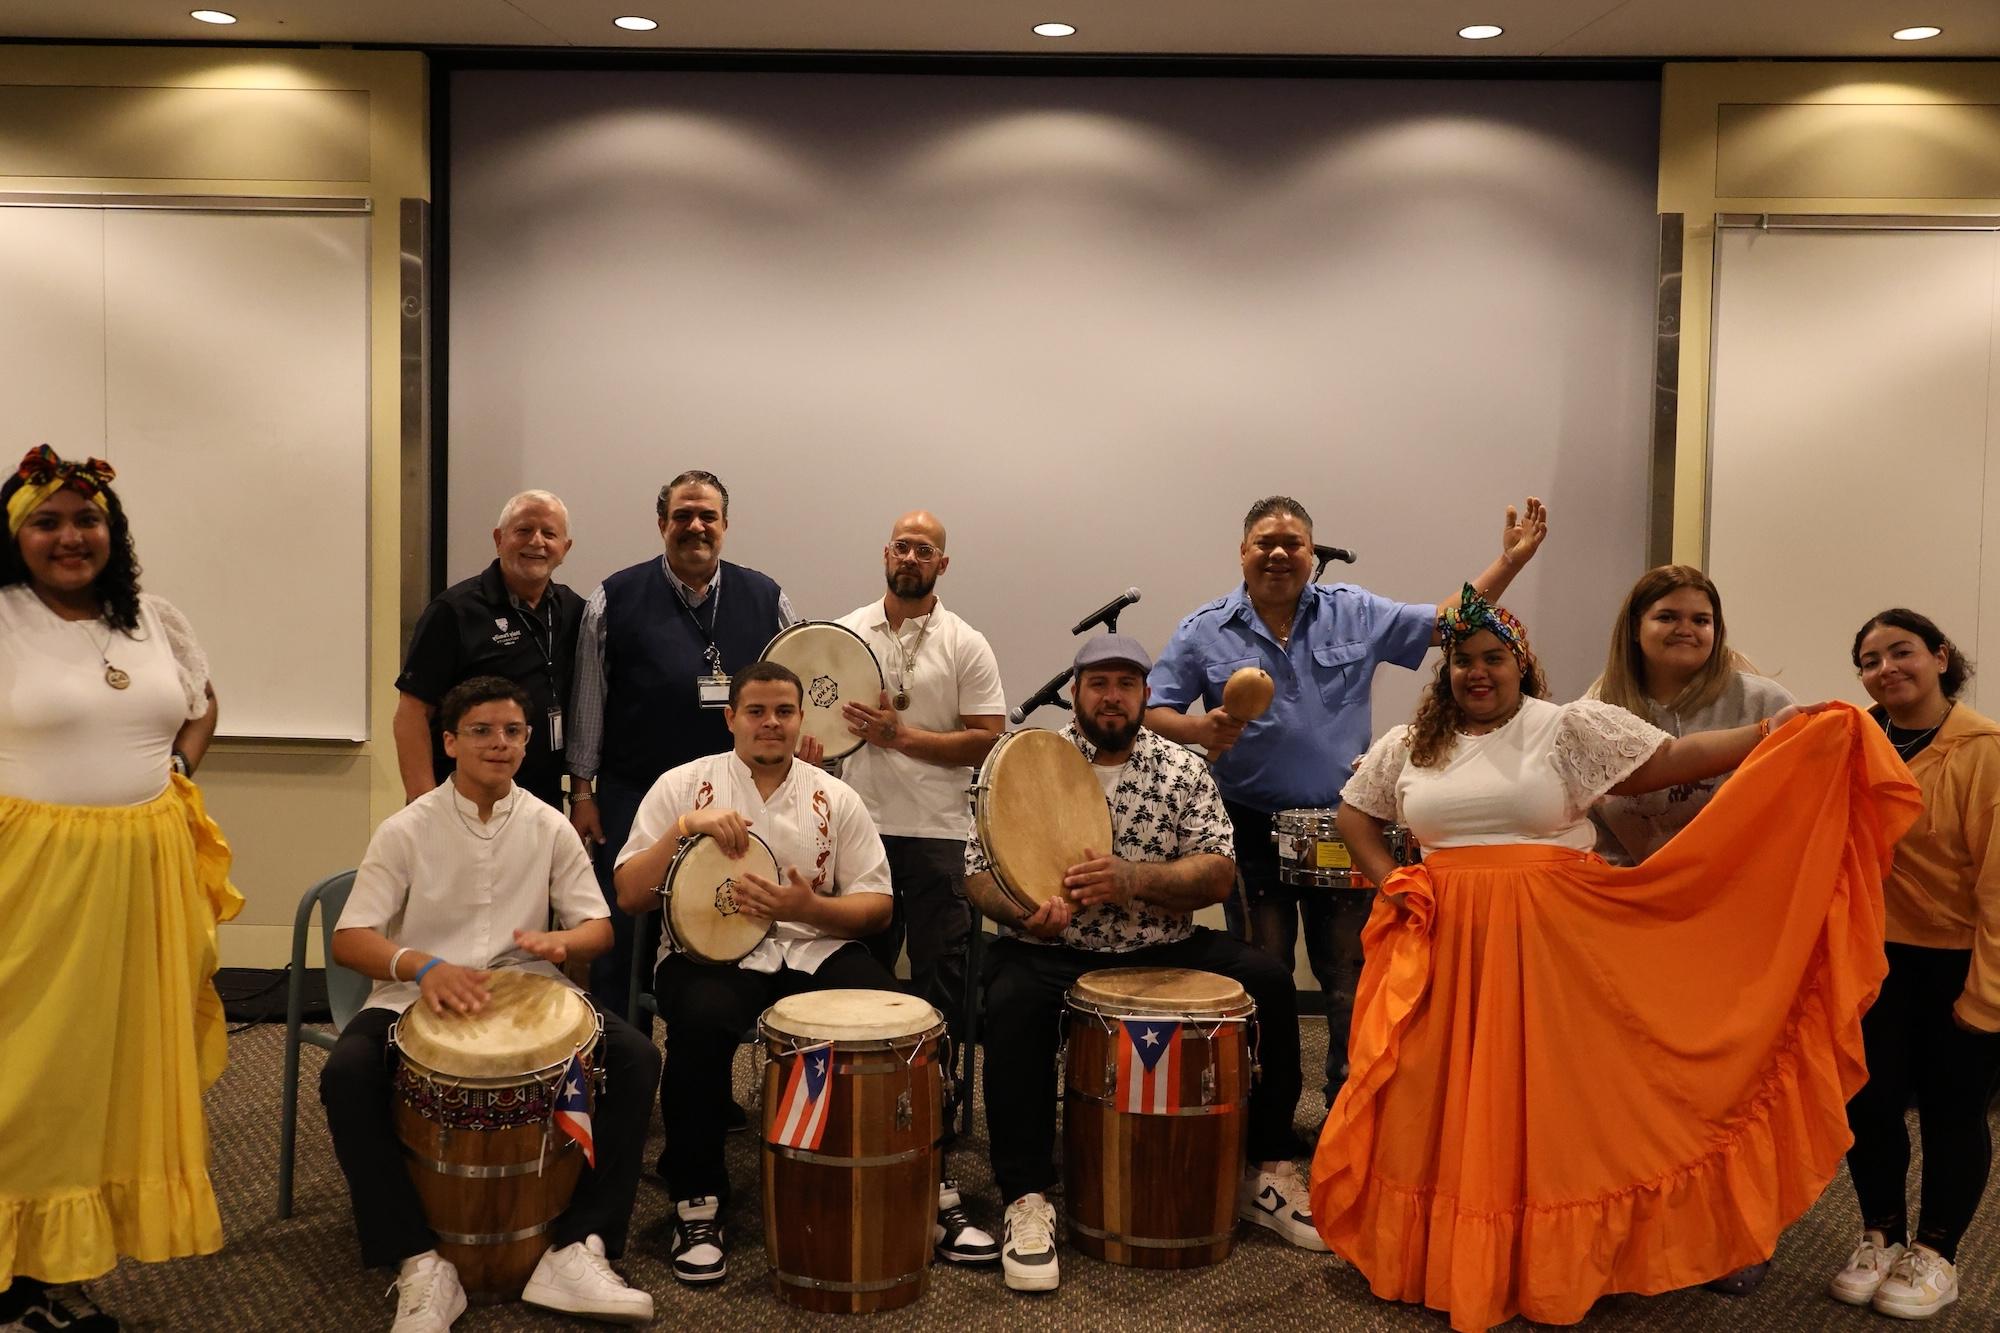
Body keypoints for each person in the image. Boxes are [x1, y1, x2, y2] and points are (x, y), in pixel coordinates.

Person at [1312, 588, 1919, 1333]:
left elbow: (1667, 761)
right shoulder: (1411, 743)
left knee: (1559, 1108)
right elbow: (1354, 811)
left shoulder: (1565, 728)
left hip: (1554, 946)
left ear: (1519, 663)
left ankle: (1556, 1258)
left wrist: (1770, 730)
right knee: (1436, 1102)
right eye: (1463, 661)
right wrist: (1391, 878)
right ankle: (1448, 1256)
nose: (1477, 672)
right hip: (1441, 947)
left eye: (1493, 658)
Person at [1146, 494, 1547, 1107]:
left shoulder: (1353, 611)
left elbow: (1447, 624)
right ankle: (1267, 1118)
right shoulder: (1205, 629)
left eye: (1293, 543)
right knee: (1265, 974)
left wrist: (1509, 562)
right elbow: (1154, 708)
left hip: (1343, 827)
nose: (1279, 553)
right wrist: (1198, 729)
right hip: (1250, 829)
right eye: (1265, 543)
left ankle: (1350, 1110)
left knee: (1349, 978)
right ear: (1243, 553)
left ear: (1311, 552)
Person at [970, 634, 1322, 1295]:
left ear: (1146, 696)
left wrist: (1135, 878)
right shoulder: (1022, 759)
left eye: (1125, 684)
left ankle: (1266, 1171)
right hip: (1051, 945)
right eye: (1098, 683)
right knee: (1011, 998)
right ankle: (1027, 1195)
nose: (1111, 696)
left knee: (1271, 981)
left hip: (1159, 941)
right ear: (1075, 693)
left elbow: (1217, 871)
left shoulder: (1180, 769)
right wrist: (1018, 913)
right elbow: (975, 873)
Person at [615, 661, 982, 1285]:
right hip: (713, 956)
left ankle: (931, 1182)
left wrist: (809, 908)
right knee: (700, 1023)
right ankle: (698, 1198)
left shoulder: (834, 796)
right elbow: (629, 894)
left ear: (800, 719)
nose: (771, 724)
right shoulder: (684, 787)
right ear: (731, 718)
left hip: (813, 948)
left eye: (784, 711)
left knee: (902, 1021)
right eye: (755, 711)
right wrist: (684, 831)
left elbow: (878, 906)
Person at [321, 676, 658, 1333]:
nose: (499, 743)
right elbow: (350, 937)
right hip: (411, 994)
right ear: (448, 742)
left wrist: (563, 940)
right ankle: (419, 1260)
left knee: (639, 1057)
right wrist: (424, 965)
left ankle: (578, 1247)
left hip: (530, 991)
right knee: (346, 1074)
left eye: (513, 731)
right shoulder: (406, 829)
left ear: (528, 743)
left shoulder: (548, 824)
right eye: (481, 730)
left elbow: (599, 927)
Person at [0, 446, 242, 1333]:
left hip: (142, 870)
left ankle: (53, 1270)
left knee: (108, 1072)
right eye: (47, 519)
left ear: (113, 530)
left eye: (87, 517)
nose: (71, 536)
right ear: (16, 534)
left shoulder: (151, 619)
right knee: (25, 1072)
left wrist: (176, 763)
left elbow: (202, 699)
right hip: (31, 878)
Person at [1589, 564, 1795, 1298]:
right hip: (1632, 918)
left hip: (1732, 922)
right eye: (1668, 616)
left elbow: (1800, 792)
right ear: (1634, 629)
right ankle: (1648, 1227)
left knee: (1732, 1082)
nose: (1686, 629)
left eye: (1701, 618)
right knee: (1645, 1085)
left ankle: (1740, 1231)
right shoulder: (1595, 708)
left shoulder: (1767, 703)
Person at [567, 470, 797, 1021]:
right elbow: (589, 700)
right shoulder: (614, 598)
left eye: (707, 517)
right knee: (624, 936)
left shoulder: (768, 597)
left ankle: (706, 1082)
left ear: (725, 525)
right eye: (682, 516)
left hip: (739, 801)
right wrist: (582, 792)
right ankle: (620, 1073)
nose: (695, 526)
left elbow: (800, 682)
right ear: (662, 524)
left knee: (725, 930)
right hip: (633, 794)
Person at [1829, 609, 2000, 1321]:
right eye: (1870, 659)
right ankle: (1879, 1236)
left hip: (1961, 959)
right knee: (1867, 1104)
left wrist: (1987, 996)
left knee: (1954, 1110)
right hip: (1871, 957)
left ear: (1939, 656)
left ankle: (1938, 1252)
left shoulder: (1984, 748)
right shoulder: (1854, 739)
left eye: (1902, 652)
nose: (1886, 668)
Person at [834, 510, 1005, 1029]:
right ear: (886, 553)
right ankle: (862, 1090)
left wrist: (901, 737)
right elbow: (818, 724)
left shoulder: (965, 643)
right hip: (860, 825)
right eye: (902, 546)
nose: (911, 557)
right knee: (857, 969)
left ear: (943, 564)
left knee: (941, 974)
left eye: (924, 550)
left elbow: (988, 742)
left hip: (939, 833)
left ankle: (938, 1092)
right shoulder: (845, 633)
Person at [394, 490, 583, 810]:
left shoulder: (574, 610)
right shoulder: (454, 611)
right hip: (460, 799)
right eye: (523, 530)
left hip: (541, 801)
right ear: (499, 539)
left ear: (564, 548)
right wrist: (423, 805)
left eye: (549, 533)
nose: (536, 541)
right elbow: (411, 713)